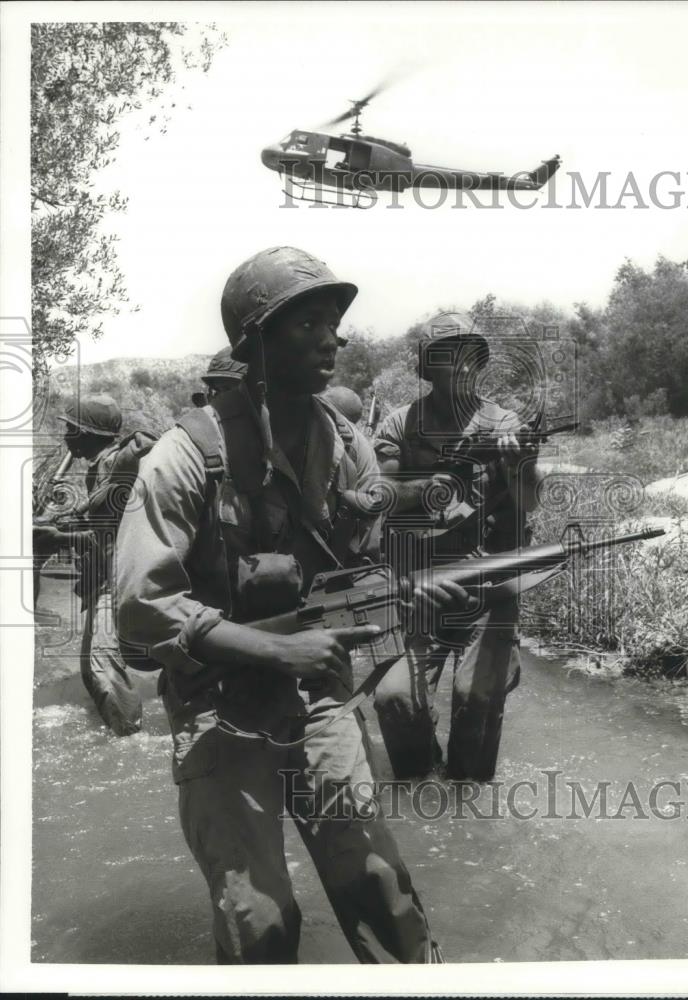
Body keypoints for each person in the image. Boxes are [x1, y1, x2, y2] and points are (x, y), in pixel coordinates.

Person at [115, 246, 460, 964]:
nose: (330, 337)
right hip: (219, 706)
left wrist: (408, 588)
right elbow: (141, 608)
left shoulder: (342, 444)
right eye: (306, 323)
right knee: (261, 919)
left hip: (319, 696)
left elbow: (354, 568)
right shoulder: (185, 458)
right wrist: (275, 648)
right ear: (255, 342)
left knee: (378, 886)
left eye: (333, 321)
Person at [373, 311, 541, 782]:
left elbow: (529, 503)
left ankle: (470, 805)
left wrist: (520, 463)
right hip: (416, 586)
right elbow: (379, 499)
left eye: (471, 356)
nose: (463, 366)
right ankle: (420, 788)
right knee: (395, 700)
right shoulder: (399, 425)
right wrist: (438, 485)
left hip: (487, 581)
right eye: (449, 357)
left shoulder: (503, 421)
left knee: (475, 698)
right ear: (428, 367)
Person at [35, 394, 143, 736]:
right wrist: (65, 524)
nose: (66, 436)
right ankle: (118, 731)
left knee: (102, 666)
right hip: (106, 577)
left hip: (117, 577)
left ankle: (130, 744)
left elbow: (111, 540)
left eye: (70, 429)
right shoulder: (100, 468)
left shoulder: (112, 467)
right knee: (91, 665)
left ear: (86, 433)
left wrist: (58, 538)